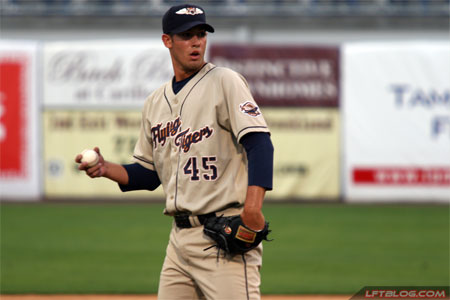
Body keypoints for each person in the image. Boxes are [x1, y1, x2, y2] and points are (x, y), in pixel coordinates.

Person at [75, 3, 274, 299]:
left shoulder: (225, 81)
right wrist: (105, 169)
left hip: (223, 236)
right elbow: (147, 174)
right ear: (167, 40)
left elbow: (260, 144)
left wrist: (253, 209)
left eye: (200, 34)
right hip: (178, 244)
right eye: (186, 35)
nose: (196, 42)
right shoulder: (155, 102)